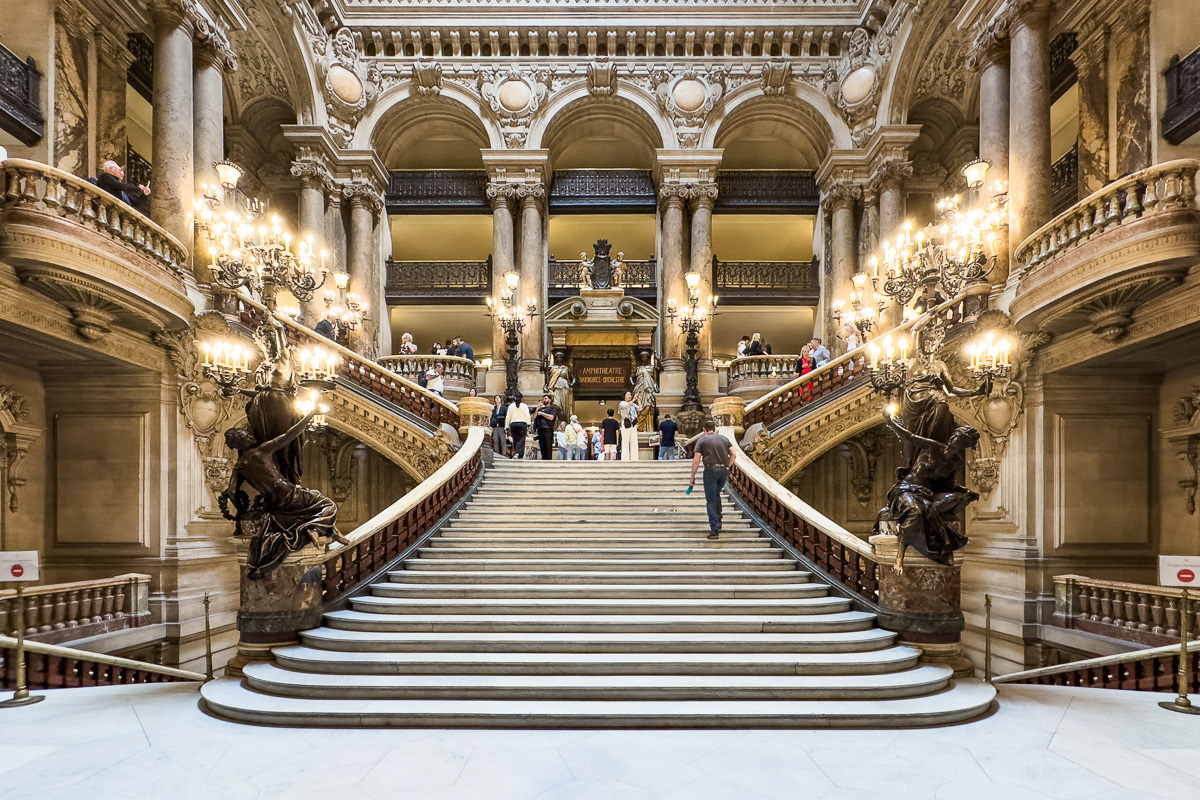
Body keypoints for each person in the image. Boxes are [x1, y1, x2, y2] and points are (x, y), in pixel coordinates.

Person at [689, 418, 737, 540]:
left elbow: (696, 460)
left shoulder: (702, 440)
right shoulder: (724, 439)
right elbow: (734, 453)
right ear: (714, 429)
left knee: (710, 500)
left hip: (710, 470)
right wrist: (728, 465)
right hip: (723, 471)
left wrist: (692, 476)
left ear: (704, 429)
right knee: (716, 494)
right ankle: (719, 519)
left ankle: (714, 529)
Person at [505, 392, 531, 458]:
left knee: (515, 439)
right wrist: (529, 424)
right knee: (522, 440)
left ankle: (517, 453)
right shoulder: (524, 406)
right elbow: (527, 416)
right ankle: (519, 453)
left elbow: (508, 417)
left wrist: (506, 427)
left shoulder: (511, 406)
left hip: (513, 424)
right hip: (522, 424)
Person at [534, 394, 559, 460]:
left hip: (548, 429)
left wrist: (542, 413)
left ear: (549, 400)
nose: (544, 400)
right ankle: (543, 459)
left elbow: (551, 417)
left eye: (545, 399)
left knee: (548, 446)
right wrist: (537, 409)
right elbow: (534, 418)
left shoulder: (552, 408)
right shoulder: (540, 409)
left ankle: (548, 460)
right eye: (543, 399)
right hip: (540, 429)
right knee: (542, 446)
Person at [618, 390, 640, 462]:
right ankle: (625, 459)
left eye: (630, 395)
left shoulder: (633, 404)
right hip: (626, 422)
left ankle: (634, 458)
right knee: (625, 441)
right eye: (628, 394)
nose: (630, 396)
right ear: (624, 396)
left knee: (634, 441)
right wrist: (634, 399)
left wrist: (639, 400)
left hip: (633, 423)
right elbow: (625, 406)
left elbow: (640, 408)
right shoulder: (622, 403)